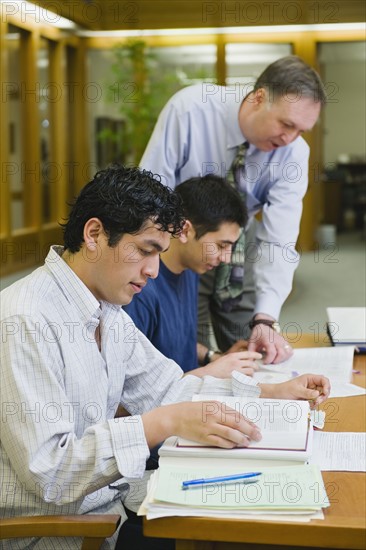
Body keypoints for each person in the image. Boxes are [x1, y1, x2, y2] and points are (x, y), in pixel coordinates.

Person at [0, 165, 330, 550]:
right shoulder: (24, 319)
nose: (154, 270)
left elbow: (169, 389)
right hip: (63, 533)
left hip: (111, 506)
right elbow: (51, 473)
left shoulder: (106, 310)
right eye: (144, 250)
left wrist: (270, 393)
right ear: (94, 235)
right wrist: (160, 422)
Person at [140, 55, 327, 365]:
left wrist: (265, 320)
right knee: (183, 355)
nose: (289, 138)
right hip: (182, 250)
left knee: (251, 352)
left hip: (239, 249)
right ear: (258, 98)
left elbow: (278, 240)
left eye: (301, 131)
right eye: (286, 124)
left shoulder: (293, 153)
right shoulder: (190, 110)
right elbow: (150, 196)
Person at [124, 173, 262, 376]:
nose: (226, 258)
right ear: (185, 230)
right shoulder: (142, 287)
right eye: (221, 245)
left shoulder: (192, 268)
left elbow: (173, 346)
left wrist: (213, 358)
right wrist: (209, 373)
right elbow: (130, 395)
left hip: (190, 392)